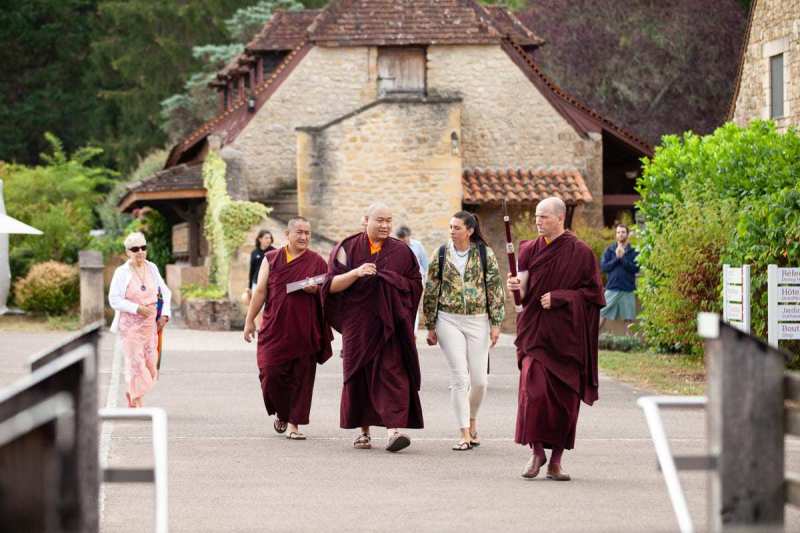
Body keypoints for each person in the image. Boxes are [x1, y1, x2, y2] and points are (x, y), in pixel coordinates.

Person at [506, 197, 604, 481]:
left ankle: (556, 462)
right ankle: (537, 452)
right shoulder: (528, 249)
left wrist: (563, 297)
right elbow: (522, 295)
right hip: (536, 334)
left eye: (544, 217)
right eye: (537, 216)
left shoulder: (581, 253)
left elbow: (595, 295)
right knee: (532, 393)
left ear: (560, 218)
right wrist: (514, 286)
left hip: (568, 339)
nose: (538, 221)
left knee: (564, 403)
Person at [321, 203, 424, 452]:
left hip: (390, 325)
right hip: (358, 324)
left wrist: (391, 280)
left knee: (392, 374)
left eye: (389, 220)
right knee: (359, 375)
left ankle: (393, 431)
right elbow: (330, 285)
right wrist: (356, 273)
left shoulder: (402, 252)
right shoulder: (346, 248)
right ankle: (363, 432)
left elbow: (415, 284)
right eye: (380, 220)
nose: (385, 225)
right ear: (365, 220)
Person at [243, 217, 332, 440]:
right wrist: (249, 320)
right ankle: (282, 413)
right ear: (287, 234)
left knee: (301, 379)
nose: (304, 237)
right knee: (269, 373)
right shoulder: (271, 258)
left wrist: (316, 291)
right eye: (299, 232)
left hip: (304, 330)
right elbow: (260, 291)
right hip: (274, 328)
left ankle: (294, 424)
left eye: (307, 233)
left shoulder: (317, 262)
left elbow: (329, 291)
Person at [423, 211, 505, 451]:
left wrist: (496, 323)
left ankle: (472, 419)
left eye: (457, 227)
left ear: (469, 230)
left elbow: (495, 288)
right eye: (450, 227)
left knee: (479, 382)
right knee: (460, 377)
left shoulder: (484, 253)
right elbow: (431, 289)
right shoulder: (441, 253)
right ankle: (464, 433)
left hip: (478, 320)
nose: (452, 231)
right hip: (448, 319)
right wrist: (430, 324)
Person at [109, 232, 171, 408]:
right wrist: (136, 308)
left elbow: (165, 292)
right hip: (130, 326)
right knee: (135, 363)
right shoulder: (121, 272)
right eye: (135, 249)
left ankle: (132, 392)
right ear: (128, 252)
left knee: (151, 364)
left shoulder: (152, 268)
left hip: (150, 325)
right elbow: (114, 299)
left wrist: (164, 315)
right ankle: (137, 401)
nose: (140, 252)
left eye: (143, 248)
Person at [599, 224, 639, 329]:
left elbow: (635, 269)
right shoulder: (609, 250)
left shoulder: (633, 251)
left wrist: (622, 259)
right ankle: (591, 338)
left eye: (623, 232)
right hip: (612, 287)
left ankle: (629, 340)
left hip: (627, 289)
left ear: (627, 234)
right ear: (616, 235)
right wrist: (617, 258)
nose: (620, 234)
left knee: (628, 320)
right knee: (601, 313)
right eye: (618, 232)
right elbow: (604, 268)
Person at [396, 225, 429, 334]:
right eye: (400, 239)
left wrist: (425, 279)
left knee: (414, 305)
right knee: (402, 306)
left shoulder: (417, 246)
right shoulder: (395, 247)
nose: (403, 242)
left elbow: (425, 264)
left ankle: (412, 333)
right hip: (401, 282)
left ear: (408, 236)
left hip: (417, 281)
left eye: (404, 239)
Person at [248, 230, 275, 296]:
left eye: (270, 238)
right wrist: (250, 287)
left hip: (269, 284)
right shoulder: (254, 253)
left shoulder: (274, 252)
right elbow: (252, 270)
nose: (269, 240)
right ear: (260, 239)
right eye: (266, 238)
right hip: (256, 283)